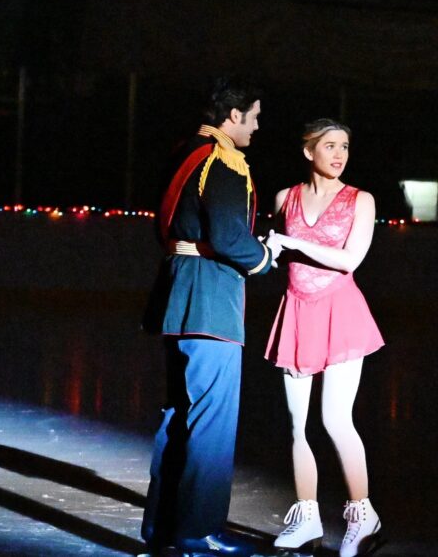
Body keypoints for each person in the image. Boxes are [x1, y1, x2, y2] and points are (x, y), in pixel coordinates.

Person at [140, 76, 282, 557]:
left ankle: (165, 527)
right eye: (255, 117)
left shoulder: (186, 151)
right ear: (234, 115)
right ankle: (197, 530)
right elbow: (227, 238)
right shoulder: (223, 159)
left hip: (178, 292)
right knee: (211, 419)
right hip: (210, 301)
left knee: (179, 414)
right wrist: (263, 257)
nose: (257, 127)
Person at [263, 119, 385, 556]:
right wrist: (271, 248)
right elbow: (277, 253)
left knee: (335, 419)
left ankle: (362, 514)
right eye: (329, 146)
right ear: (307, 151)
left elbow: (351, 259)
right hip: (297, 311)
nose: (339, 154)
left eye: (345, 147)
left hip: (341, 313)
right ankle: (307, 516)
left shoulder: (361, 200)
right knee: (298, 424)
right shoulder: (285, 198)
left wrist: (293, 243)